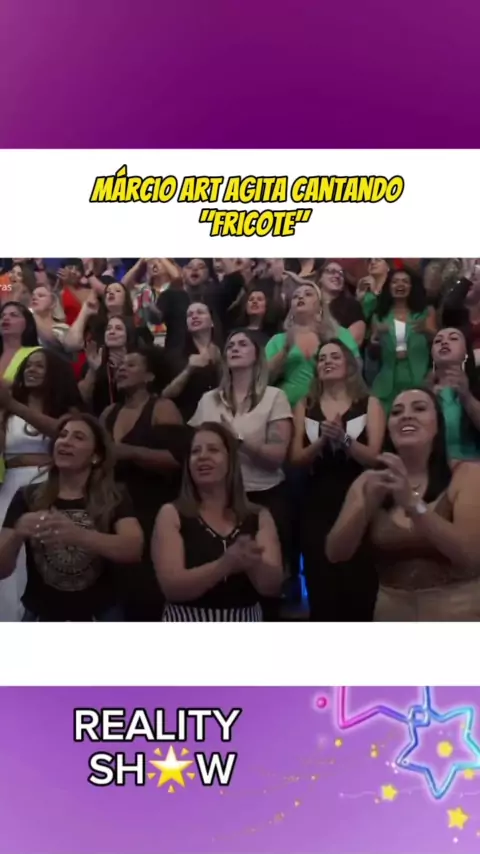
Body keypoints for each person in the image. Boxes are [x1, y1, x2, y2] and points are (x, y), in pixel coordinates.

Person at [326, 388, 480, 621]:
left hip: (457, 608)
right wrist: (363, 508)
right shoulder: (369, 480)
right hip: (391, 611)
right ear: (389, 428)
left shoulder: (467, 475)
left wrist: (413, 504)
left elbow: (471, 556)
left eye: (419, 408)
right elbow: (335, 553)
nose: (406, 415)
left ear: (437, 426)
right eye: (397, 412)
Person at [0, 413, 143, 620]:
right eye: (62, 435)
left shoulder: (113, 496)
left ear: (96, 456)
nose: (65, 442)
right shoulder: (27, 496)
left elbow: (134, 549)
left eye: (78, 437)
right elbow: (2, 570)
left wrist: (79, 535)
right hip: (41, 616)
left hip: (100, 616)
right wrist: (17, 536)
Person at [291, 339, 384, 620]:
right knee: (321, 584)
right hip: (316, 501)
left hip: (359, 499)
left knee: (359, 583)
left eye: (334, 357)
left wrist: (344, 439)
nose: (327, 362)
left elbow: (375, 458)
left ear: (349, 365)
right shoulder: (305, 404)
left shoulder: (369, 403)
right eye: (322, 358)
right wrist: (322, 441)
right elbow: (295, 459)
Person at [152, 422, 283, 621]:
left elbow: (272, 587)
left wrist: (253, 562)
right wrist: (225, 564)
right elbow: (172, 588)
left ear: (231, 461)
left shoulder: (259, 516)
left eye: (213, 450)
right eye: (195, 451)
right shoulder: (171, 514)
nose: (202, 456)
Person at [189, 331, 292, 569]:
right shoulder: (208, 400)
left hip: (263, 497)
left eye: (243, 344)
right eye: (230, 345)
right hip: (217, 500)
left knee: (264, 572)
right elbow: (192, 448)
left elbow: (276, 457)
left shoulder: (274, 397)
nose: (234, 348)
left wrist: (237, 440)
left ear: (257, 355)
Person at [101, 348, 186, 620]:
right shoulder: (109, 412)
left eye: (131, 365)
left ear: (149, 376)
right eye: (120, 365)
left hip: (152, 512)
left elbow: (177, 459)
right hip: (112, 513)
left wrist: (129, 452)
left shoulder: (162, 408)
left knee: (146, 597)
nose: (121, 369)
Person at [0, 350, 83, 620]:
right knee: (10, 554)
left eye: (39, 366)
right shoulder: (6, 410)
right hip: (11, 486)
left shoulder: (66, 412)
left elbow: (61, 432)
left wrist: (13, 405)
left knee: (43, 556)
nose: (31, 370)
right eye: (28, 365)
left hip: (51, 485)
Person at [266, 283, 360, 408]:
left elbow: (355, 369)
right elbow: (262, 378)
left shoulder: (339, 334)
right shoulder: (278, 340)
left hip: (328, 406)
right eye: (295, 296)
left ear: (320, 306)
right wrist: (285, 351)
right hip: (285, 406)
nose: (300, 297)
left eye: (308, 294)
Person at [370, 268, 437, 413]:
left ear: (412, 287)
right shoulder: (379, 317)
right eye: (395, 282)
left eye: (405, 282)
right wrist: (375, 338)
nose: (400, 285)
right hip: (387, 384)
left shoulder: (425, 313)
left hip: (420, 380)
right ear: (389, 287)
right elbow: (374, 347)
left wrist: (426, 329)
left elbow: (437, 341)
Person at [161, 302, 222, 421]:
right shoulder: (175, 355)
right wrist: (188, 370)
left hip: (220, 417)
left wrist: (220, 364)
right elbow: (165, 395)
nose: (194, 316)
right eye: (190, 315)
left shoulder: (225, 349)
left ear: (212, 321)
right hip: (188, 418)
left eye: (200, 313)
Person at [78, 316, 147, 416]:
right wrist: (93, 371)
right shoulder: (94, 362)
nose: (112, 332)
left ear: (128, 335)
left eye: (118, 328)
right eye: (109, 328)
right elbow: (82, 398)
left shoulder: (138, 362)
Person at [430, 327, 480, 463]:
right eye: (438, 341)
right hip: (436, 469)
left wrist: (467, 398)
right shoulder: (424, 393)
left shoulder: (476, 387)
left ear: (466, 353)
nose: (444, 342)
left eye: (453, 338)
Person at [318, 261, 366, 346]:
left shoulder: (352, 305)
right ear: (320, 278)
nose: (337, 276)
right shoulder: (311, 304)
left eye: (341, 274)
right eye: (331, 271)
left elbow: (355, 340)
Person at [0, 301, 40, 383]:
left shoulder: (36, 353)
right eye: (2, 316)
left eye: (13, 315)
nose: (5, 318)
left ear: (27, 324)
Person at [30, 284, 70, 355]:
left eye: (41, 296)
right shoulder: (27, 326)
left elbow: (52, 342)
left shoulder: (62, 328)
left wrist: (34, 314)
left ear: (53, 303)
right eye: (33, 296)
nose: (34, 298)